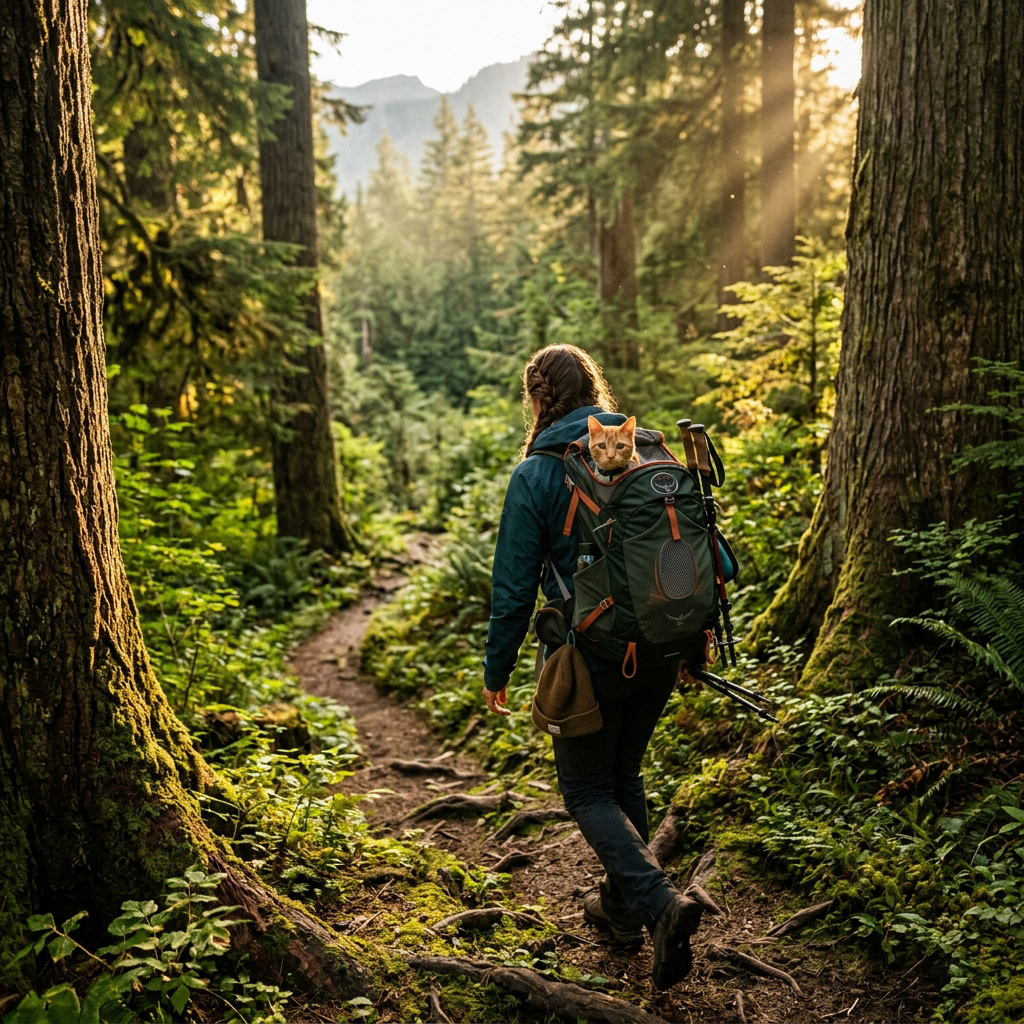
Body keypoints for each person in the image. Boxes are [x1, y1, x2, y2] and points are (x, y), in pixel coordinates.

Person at [482, 344, 703, 990]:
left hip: (595, 654)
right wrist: (693, 642)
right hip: (661, 647)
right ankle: (622, 912)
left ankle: (662, 907)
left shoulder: (537, 474)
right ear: (593, 390)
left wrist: (498, 668)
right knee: (623, 773)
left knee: (585, 790)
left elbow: (514, 587)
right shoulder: (644, 450)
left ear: (537, 397)